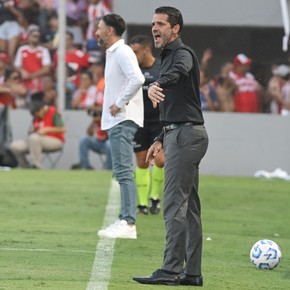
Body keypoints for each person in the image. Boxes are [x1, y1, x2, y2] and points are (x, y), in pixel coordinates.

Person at [133, 6, 208, 286]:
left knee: (175, 204)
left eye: (161, 24)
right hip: (180, 133)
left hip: (186, 136)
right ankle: (192, 273)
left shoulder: (182, 54)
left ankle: (171, 269)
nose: (155, 28)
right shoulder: (167, 56)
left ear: (175, 29)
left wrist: (158, 83)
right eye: (153, 23)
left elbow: (178, 72)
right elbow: (175, 107)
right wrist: (159, 138)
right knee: (189, 209)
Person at [95, 13, 144, 239]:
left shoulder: (123, 52)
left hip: (123, 119)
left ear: (110, 31)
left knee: (124, 172)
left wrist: (119, 103)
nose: (96, 32)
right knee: (121, 171)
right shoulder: (114, 53)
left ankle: (128, 222)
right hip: (119, 119)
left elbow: (138, 78)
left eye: (99, 28)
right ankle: (125, 218)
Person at [129, 35, 164, 215]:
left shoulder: (161, 67)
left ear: (146, 50)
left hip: (159, 122)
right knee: (142, 163)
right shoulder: (132, 70)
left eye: (135, 52)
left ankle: (155, 198)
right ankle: (142, 204)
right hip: (139, 122)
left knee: (160, 160)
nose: (133, 56)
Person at [9, 101, 65, 169]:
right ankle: (25, 167)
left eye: (37, 114)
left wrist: (46, 130)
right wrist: (33, 131)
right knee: (14, 146)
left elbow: (63, 129)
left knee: (34, 138)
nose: (37, 116)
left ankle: (36, 165)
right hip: (35, 141)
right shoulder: (36, 118)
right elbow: (32, 130)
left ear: (41, 109)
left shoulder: (53, 113)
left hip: (55, 140)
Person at [14, 25, 52, 96]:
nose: (36, 38)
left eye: (38, 37)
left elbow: (46, 69)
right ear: (29, 37)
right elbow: (17, 65)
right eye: (34, 36)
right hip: (24, 80)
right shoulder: (22, 49)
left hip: (39, 80)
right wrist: (22, 71)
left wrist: (30, 76)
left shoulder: (44, 50)